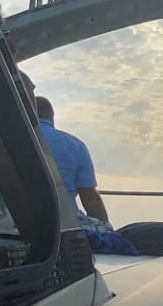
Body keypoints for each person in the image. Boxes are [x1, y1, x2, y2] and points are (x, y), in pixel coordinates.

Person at [35, 96, 111, 226]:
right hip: (64, 224)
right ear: (51, 118)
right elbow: (90, 198)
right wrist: (107, 229)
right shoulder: (75, 145)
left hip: (11, 225)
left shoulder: (6, 140)